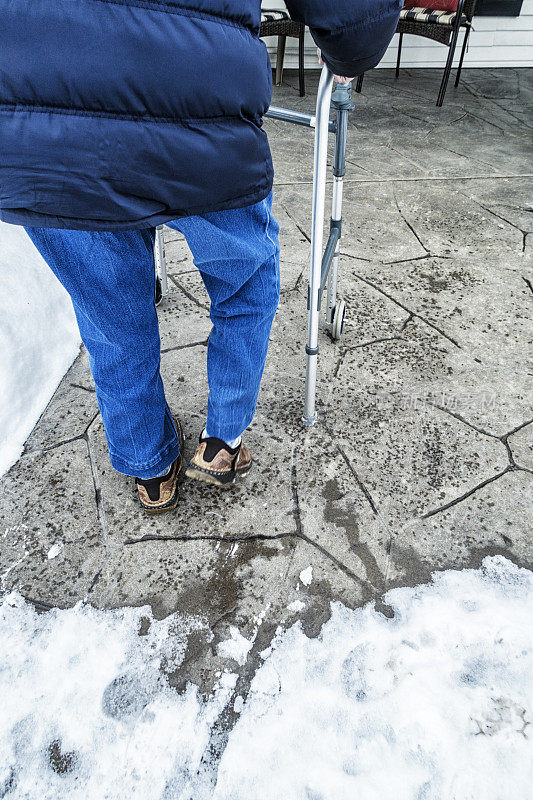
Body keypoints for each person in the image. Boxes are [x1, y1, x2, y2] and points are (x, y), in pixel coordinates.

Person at [0, 1, 401, 514]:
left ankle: (149, 466)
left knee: (109, 314)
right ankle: (222, 443)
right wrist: (351, 50)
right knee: (245, 286)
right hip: (202, 121)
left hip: (43, 130)